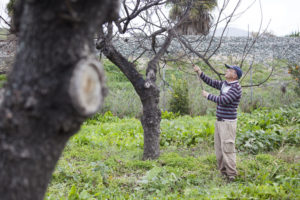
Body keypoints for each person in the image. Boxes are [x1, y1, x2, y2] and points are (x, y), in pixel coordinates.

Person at [194, 64, 242, 182]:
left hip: (228, 123)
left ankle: (232, 175)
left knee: (228, 148)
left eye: (229, 70)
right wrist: (200, 72)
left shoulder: (236, 88)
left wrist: (208, 96)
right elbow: (211, 82)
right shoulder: (225, 84)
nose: (226, 71)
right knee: (219, 149)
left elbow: (224, 100)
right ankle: (223, 172)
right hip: (219, 121)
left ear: (235, 75)